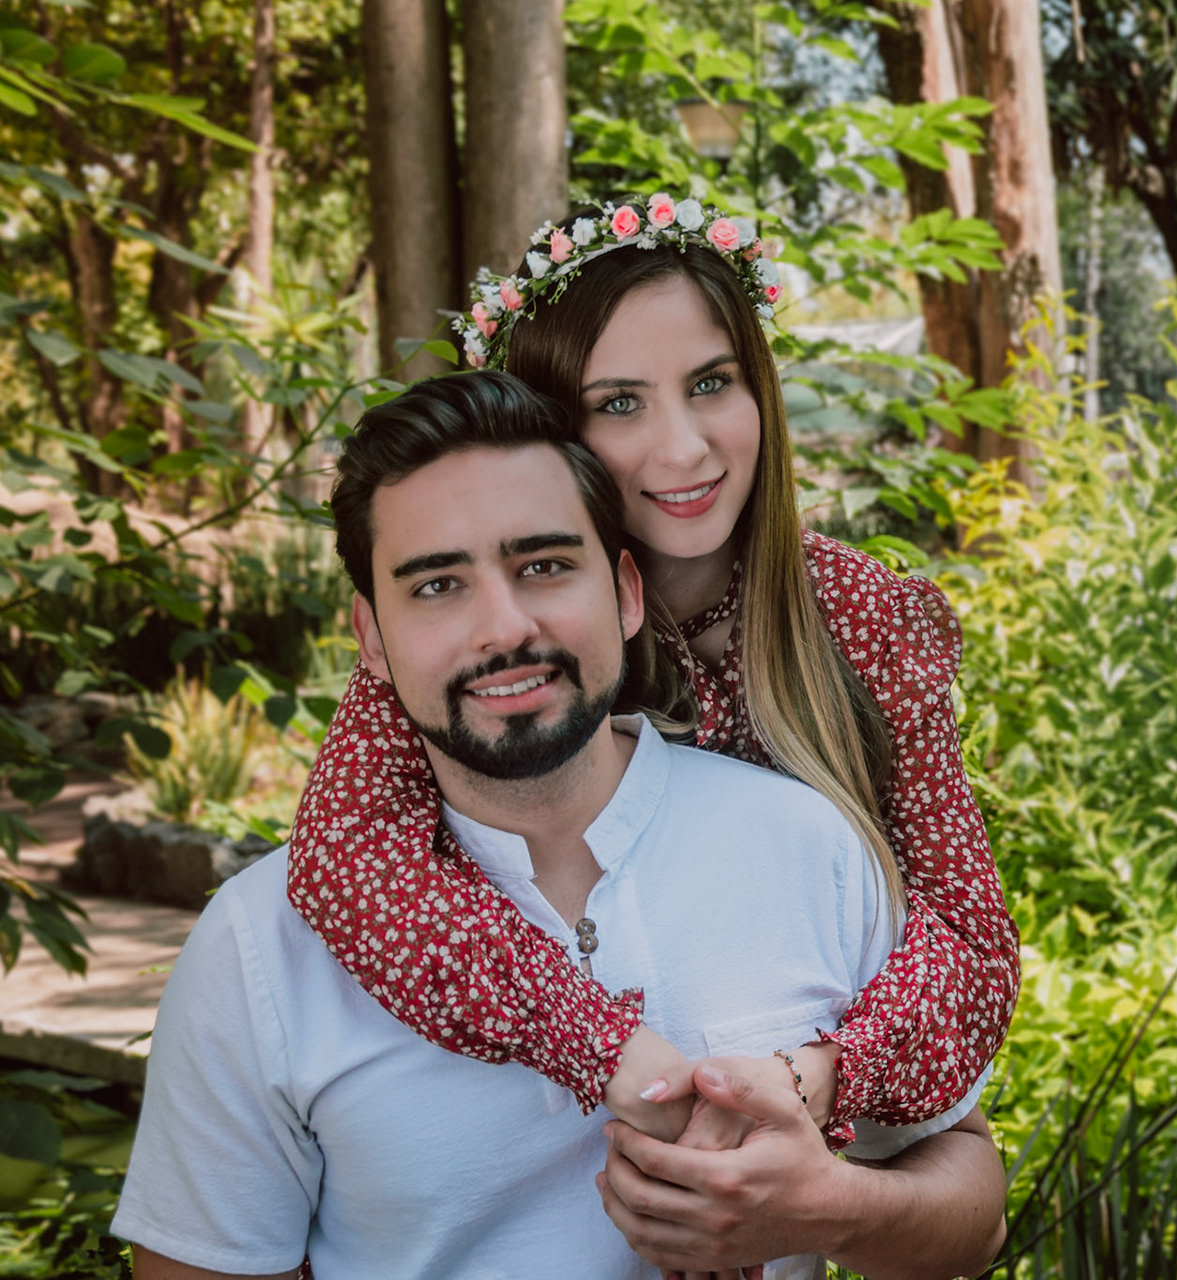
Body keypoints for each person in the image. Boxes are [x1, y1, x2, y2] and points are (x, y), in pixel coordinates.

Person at [112, 373, 1006, 1279]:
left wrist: (834, 1209)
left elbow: (972, 1219)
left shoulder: (810, 847)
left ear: (624, 593)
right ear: (372, 639)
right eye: (437, 586)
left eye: (543, 566)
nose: (502, 628)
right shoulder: (262, 944)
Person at [285, 195, 1018, 1146]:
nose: (685, 448)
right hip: (524, 1125)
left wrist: (816, 1077)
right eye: (620, 403)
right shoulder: (509, 644)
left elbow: (969, 941)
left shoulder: (863, 618)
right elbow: (347, 856)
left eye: (712, 384)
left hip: (817, 1118)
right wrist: (602, 1042)